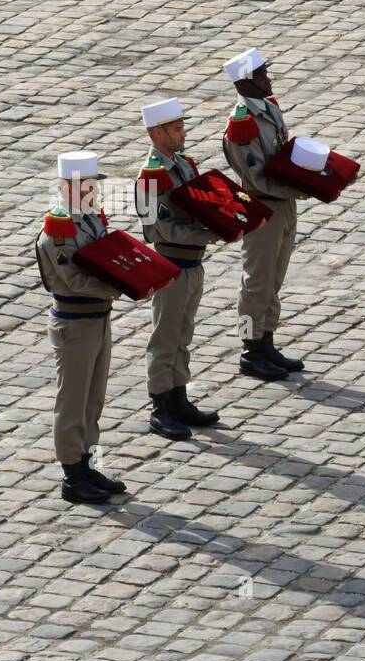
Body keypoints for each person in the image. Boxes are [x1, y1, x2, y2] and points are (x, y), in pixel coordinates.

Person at [35, 151, 127, 504]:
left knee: (93, 397)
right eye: (86, 186)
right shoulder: (58, 232)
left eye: (94, 185)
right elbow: (72, 280)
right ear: (66, 188)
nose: (93, 191)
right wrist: (120, 286)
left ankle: (86, 462)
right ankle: (72, 474)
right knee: (72, 400)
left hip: (98, 317)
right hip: (75, 321)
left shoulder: (89, 220)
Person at [137, 97, 222, 440]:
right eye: (176, 129)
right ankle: (160, 405)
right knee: (165, 337)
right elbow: (155, 230)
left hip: (193, 263)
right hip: (171, 263)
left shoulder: (184, 165)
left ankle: (179, 396)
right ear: (157, 133)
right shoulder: (150, 178)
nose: (183, 133)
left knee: (183, 334)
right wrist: (207, 232)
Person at [221, 47, 307, 381]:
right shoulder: (241, 125)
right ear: (246, 84)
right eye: (261, 75)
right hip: (262, 206)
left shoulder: (269, 107)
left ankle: (267, 340)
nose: (268, 79)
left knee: (274, 278)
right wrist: (303, 188)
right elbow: (257, 176)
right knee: (256, 282)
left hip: (283, 206)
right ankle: (250, 348)